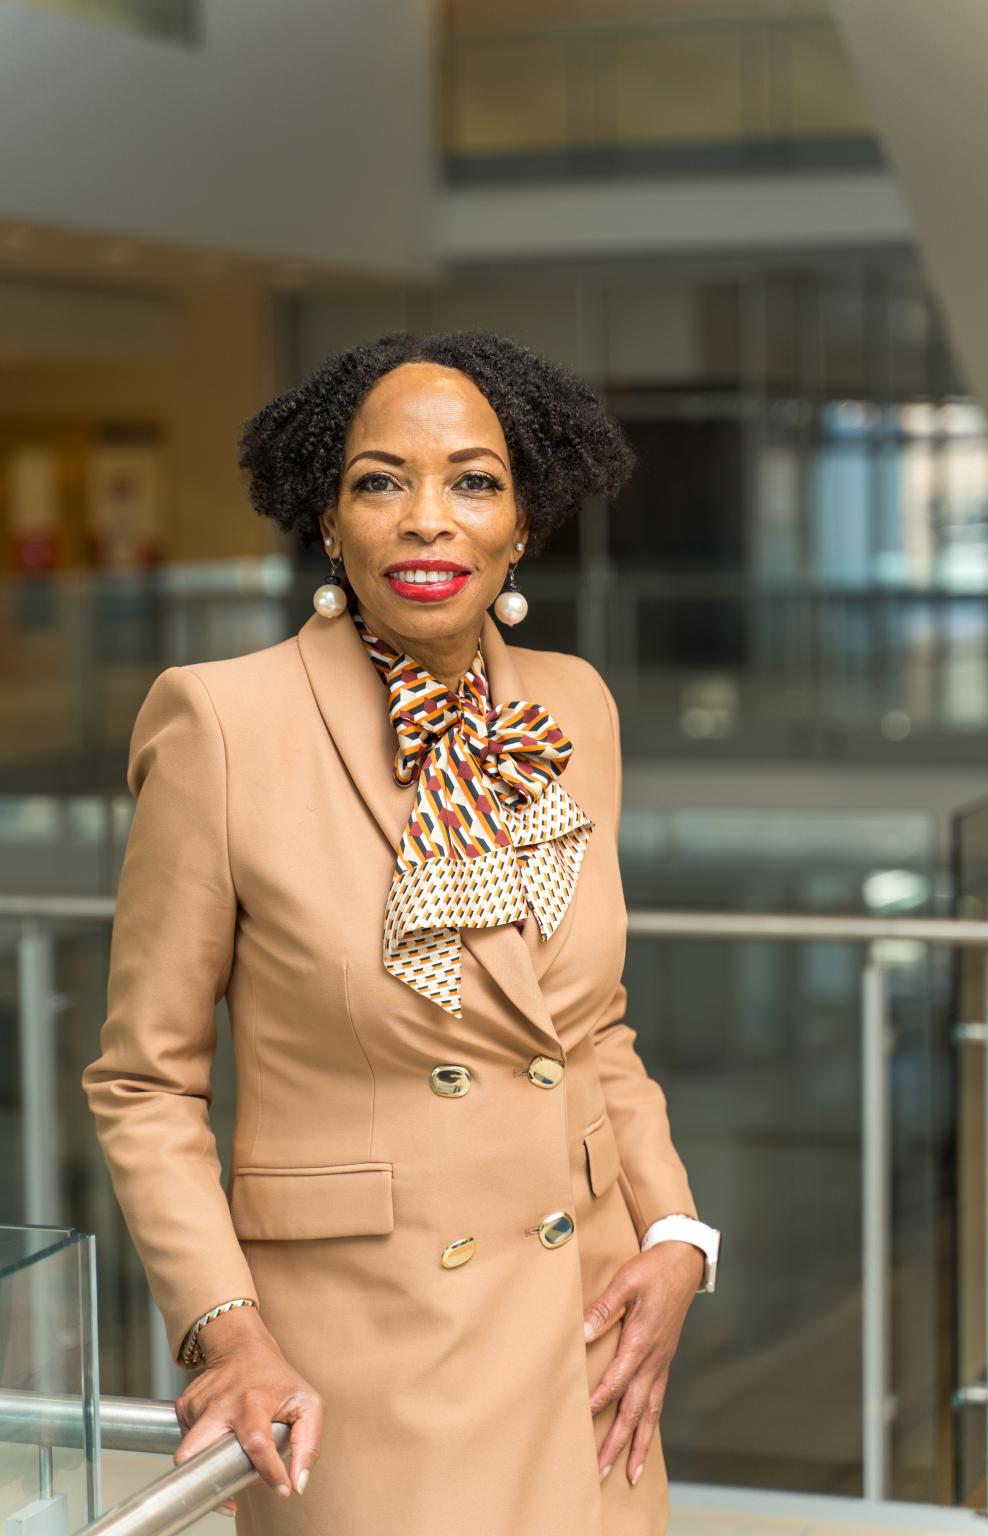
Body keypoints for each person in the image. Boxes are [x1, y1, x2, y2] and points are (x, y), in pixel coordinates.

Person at [82, 330, 721, 1536]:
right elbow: (144, 1084)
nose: (429, 518)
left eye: (473, 481)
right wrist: (232, 1335)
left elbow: (589, 1028)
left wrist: (677, 1231)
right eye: (382, 480)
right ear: (328, 519)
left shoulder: (575, 703)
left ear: (522, 521)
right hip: (361, 1367)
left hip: (588, 1338)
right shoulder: (220, 723)